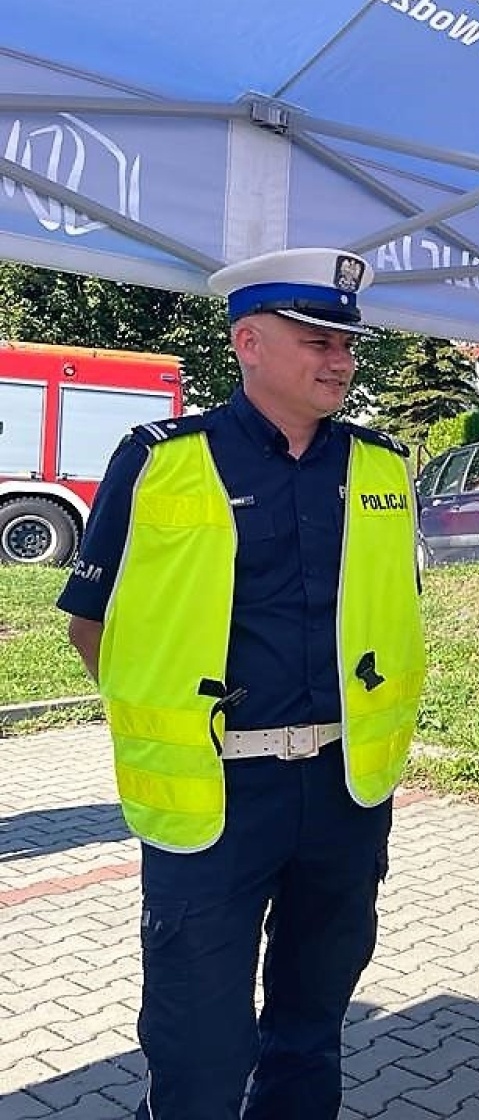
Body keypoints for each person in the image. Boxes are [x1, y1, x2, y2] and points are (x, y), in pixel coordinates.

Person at [56, 248, 426, 1120]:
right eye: (317, 340)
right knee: (200, 1043)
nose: (340, 360)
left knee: (311, 1027)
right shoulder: (161, 458)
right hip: (217, 790)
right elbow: (91, 623)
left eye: (347, 345)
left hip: (342, 792)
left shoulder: (380, 467)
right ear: (248, 342)